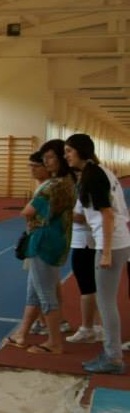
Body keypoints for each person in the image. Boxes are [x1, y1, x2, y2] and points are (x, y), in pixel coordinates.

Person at [65, 134, 130, 374]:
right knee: (105, 301)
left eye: (69, 151)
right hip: (115, 240)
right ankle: (111, 353)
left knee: (105, 302)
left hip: (110, 243)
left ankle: (113, 358)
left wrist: (106, 252)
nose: (66, 156)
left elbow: (108, 214)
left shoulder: (94, 177)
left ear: (82, 151)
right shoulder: (100, 172)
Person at [3, 152, 74, 356]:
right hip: (51, 240)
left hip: (44, 242)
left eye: (49, 159)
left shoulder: (52, 186)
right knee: (34, 291)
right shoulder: (64, 184)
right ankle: (22, 334)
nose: (44, 163)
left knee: (45, 293)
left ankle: (54, 342)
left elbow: (28, 211)